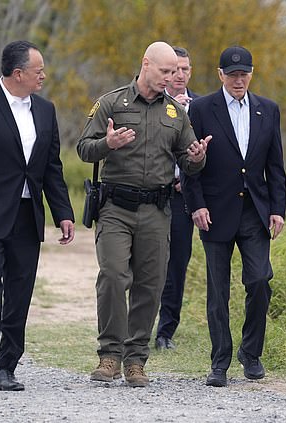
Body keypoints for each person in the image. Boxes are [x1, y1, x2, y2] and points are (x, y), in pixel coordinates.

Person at [76, 41, 210, 388]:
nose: (172, 77)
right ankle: (109, 355)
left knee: (149, 286)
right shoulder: (112, 103)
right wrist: (109, 144)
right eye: (165, 71)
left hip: (156, 210)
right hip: (116, 208)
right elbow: (83, 148)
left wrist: (197, 158)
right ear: (146, 64)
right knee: (114, 276)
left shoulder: (175, 113)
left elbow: (188, 161)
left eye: (176, 72)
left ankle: (136, 359)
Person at [0, 40, 75, 391]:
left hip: (27, 214)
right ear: (18, 73)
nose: (44, 76)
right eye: (38, 71)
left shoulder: (46, 110)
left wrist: (63, 213)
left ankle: (6, 367)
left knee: (20, 290)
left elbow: (52, 167)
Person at [183, 46, 286, 387]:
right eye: (232, 74)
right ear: (220, 74)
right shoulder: (200, 109)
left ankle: (250, 352)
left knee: (259, 280)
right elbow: (190, 163)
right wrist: (195, 205)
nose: (238, 79)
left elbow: (276, 167)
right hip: (214, 212)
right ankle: (220, 361)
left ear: (251, 74)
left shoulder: (268, 110)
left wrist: (277, 209)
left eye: (244, 74)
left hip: (254, 212)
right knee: (218, 291)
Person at [155, 46, 200, 351]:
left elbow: (207, 153)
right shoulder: (151, 102)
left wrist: (191, 178)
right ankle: (137, 323)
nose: (180, 75)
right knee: (146, 261)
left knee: (177, 264)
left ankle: (165, 331)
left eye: (185, 69)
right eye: (174, 70)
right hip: (152, 193)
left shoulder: (202, 106)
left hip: (182, 195)